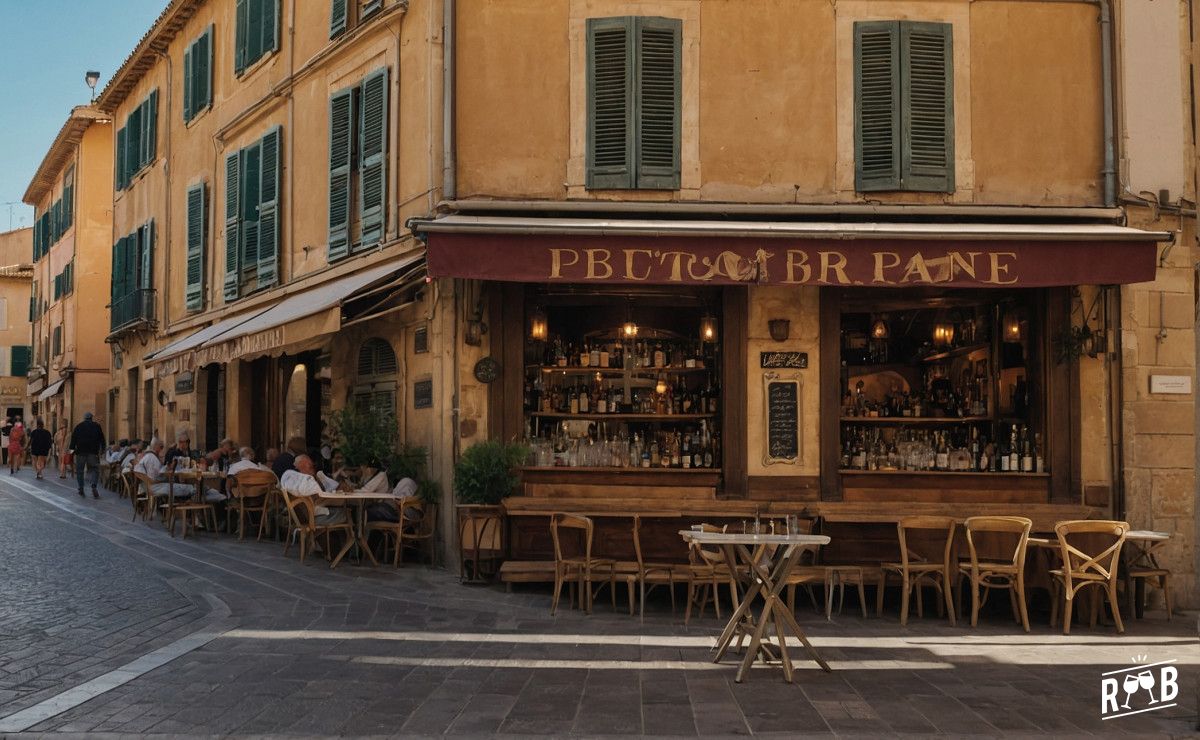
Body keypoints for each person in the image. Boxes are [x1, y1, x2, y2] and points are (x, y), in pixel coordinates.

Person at [279, 454, 345, 525]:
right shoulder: (306, 482)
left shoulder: (293, 481)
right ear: (301, 466)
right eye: (311, 467)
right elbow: (318, 500)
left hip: (303, 517)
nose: (313, 470)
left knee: (340, 506)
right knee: (345, 512)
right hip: (311, 519)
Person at [68, 411, 106, 498]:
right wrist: (103, 449)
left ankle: (81, 487)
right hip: (93, 452)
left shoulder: (78, 426)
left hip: (80, 452)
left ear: (84, 418)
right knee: (95, 469)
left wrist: (71, 453)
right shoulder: (97, 426)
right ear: (91, 418)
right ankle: (93, 486)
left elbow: (73, 441)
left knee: (80, 471)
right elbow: (102, 439)